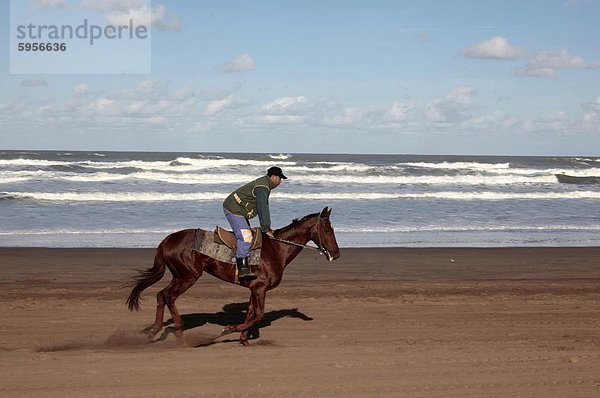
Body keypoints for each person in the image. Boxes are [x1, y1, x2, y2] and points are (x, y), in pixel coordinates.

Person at [223, 166, 287, 280]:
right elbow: (263, 208)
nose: (280, 182)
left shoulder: (264, 184)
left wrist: (266, 227)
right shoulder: (263, 187)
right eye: (280, 179)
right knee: (246, 237)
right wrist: (266, 229)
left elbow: (262, 208)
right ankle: (242, 270)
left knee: (248, 235)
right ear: (273, 177)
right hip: (233, 209)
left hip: (239, 209)